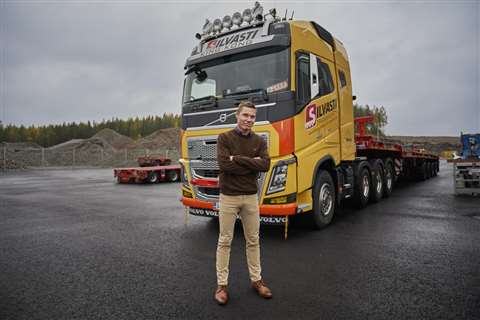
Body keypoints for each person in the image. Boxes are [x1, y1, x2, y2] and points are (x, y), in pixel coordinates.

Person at [214, 100, 272, 305]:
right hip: (228, 196)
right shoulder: (224, 138)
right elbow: (223, 165)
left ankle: (257, 281)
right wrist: (251, 163)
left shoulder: (259, 140)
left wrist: (237, 158)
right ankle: (222, 286)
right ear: (237, 115)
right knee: (225, 240)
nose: (249, 119)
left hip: (250, 197)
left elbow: (265, 165)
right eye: (245, 115)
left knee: (253, 239)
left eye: (252, 116)